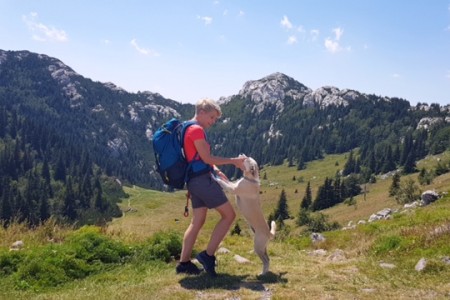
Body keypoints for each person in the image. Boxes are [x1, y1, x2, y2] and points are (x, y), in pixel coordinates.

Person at [175, 98, 245, 277]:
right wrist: (233, 161)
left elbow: (196, 157)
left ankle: (183, 263)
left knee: (197, 221)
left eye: (215, 119)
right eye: (212, 117)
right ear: (202, 112)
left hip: (193, 180)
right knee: (229, 215)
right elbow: (207, 158)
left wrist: (216, 169)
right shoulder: (197, 130)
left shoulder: (186, 127)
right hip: (202, 181)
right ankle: (208, 255)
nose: (213, 122)